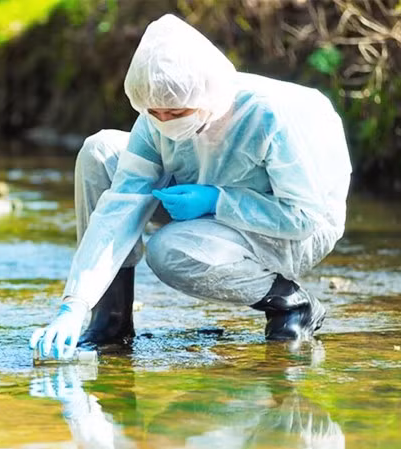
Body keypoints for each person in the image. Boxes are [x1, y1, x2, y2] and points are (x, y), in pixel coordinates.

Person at [30, 14, 351, 360]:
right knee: (101, 150)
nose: (165, 123)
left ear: (207, 98)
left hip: (291, 226)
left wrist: (219, 201)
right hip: (201, 192)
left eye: (177, 113)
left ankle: (290, 303)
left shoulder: (268, 117)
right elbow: (118, 207)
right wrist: (74, 304)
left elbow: (303, 217)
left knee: (167, 251)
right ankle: (110, 321)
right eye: (155, 112)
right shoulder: (155, 120)